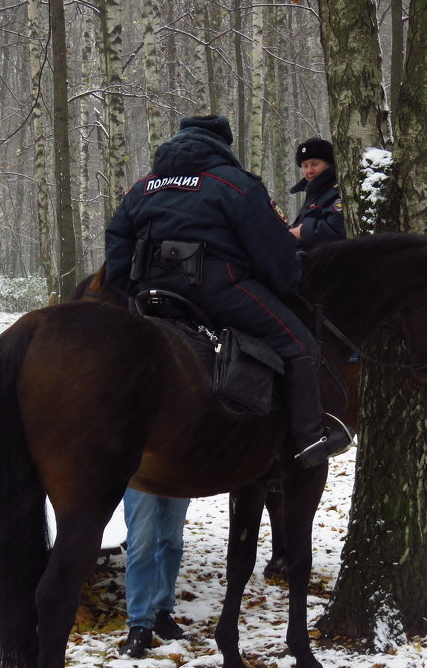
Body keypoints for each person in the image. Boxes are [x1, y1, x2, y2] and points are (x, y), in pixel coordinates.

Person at [104, 114, 350, 467]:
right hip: (218, 289)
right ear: (222, 145)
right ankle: (308, 441)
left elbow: (116, 240)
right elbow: (272, 247)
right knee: (299, 345)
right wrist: (286, 286)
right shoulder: (236, 184)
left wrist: (130, 288)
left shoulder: (143, 186)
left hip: (151, 292)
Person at [120, 489, 190, 658]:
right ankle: (139, 624)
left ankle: (162, 612)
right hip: (141, 469)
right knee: (141, 541)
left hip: (179, 469)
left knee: (173, 540)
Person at [288, 137, 345, 247]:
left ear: (329, 164)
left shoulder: (336, 191)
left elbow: (337, 230)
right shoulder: (314, 192)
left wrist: (302, 232)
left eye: (314, 164)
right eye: (305, 166)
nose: (309, 171)